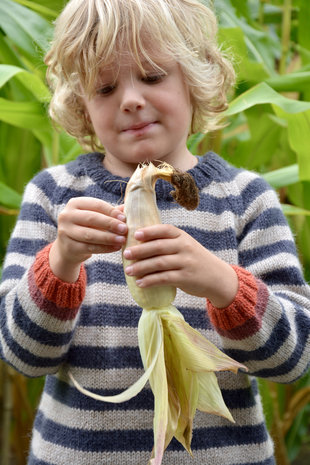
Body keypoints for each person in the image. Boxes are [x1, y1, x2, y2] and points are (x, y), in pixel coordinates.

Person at [0, 0, 309, 464]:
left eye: (151, 76)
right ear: (82, 105)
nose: (130, 99)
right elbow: (22, 356)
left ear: (195, 78)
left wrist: (222, 283)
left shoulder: (245, 199)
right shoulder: (54, 198)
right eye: (104, 87)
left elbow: (296, 359)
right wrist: (60, 262)